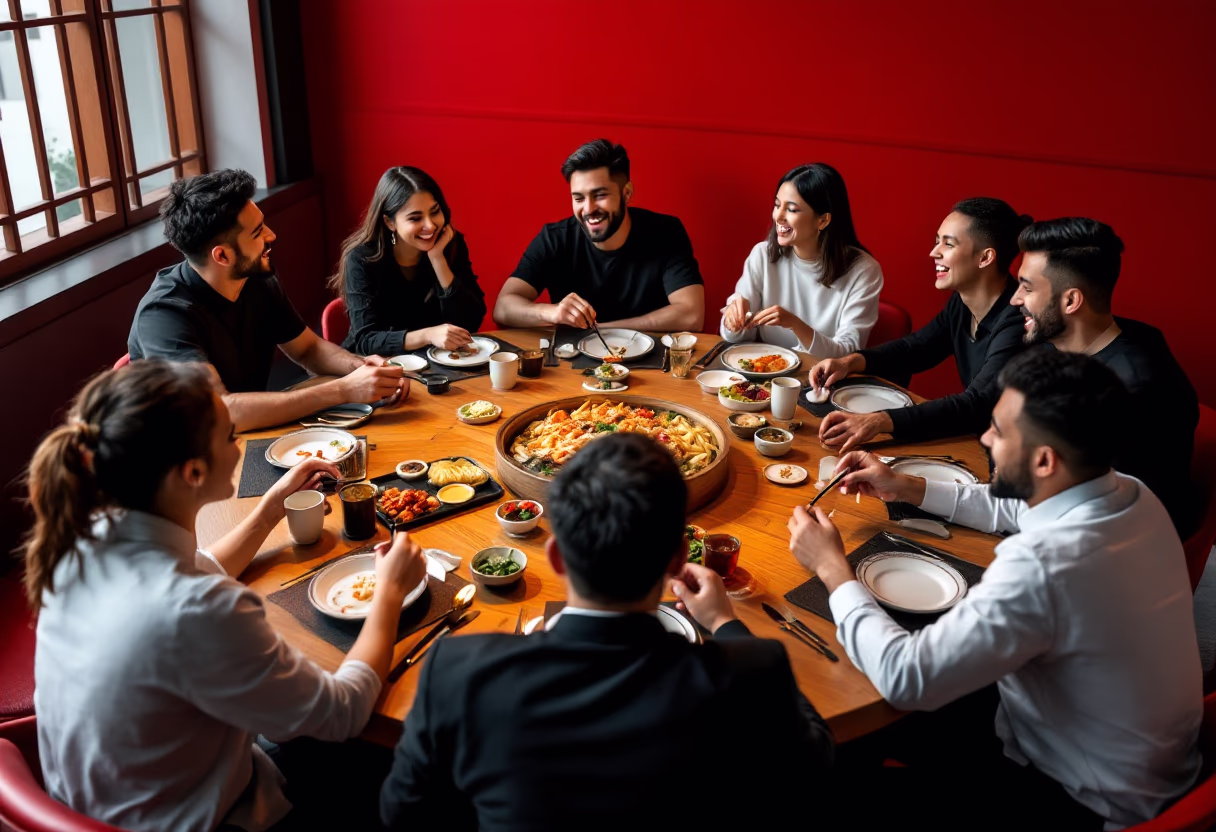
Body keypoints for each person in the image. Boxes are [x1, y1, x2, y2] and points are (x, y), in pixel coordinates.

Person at [788, 350, 1202, 830]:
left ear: (1045, 460)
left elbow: (905, 678)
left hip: (1080, 798)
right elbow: (1015, 507)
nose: (985, 437)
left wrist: (832, 569)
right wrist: (903, 485)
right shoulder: (1128, 491)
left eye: (1000, 432)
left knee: (829, 771)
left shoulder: (1047, 565)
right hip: (1133, 755)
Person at [26, 360, 427, 832]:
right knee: (412, 772)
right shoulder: (197, 610)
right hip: (213, 817)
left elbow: (200, 568)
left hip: (106, 804)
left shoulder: (80, 540)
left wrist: (271, 508)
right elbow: (341, 712)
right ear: (194, 471)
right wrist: (388, 592)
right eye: (231, 435)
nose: (239, 448)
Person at [380, 433, 833, 830]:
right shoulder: (752, 673)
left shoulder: (457, 672)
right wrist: (724, 624)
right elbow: (817, 766)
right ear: (679, 560)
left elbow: (403, 813)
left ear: (555, 558)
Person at [128, 169, 406, 432]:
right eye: (257, 231)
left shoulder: (255, 281)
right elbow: (219, 412)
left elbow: (308, 350)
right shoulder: (163, 315)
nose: (271, 235)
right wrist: (344, 390)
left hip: (250, 434)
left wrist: (365, 371)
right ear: (222, 256)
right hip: (184, 463)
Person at [1012, 217, 1199, 537]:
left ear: (1071, 301)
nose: (1016, 299)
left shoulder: (1136, 391)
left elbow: (1102, 516)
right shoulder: (1070, 344)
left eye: (1027, 288)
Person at [809, 197, 1030, 450]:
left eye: (948, 243)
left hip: (1006, 456)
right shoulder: (961, 303)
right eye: (937, 241)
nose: (934, 252)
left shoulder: (1017, 321)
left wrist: (878, 421)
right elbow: (916, 349)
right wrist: (849, 362)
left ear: (985, 257)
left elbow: (975, 404)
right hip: (971, 438)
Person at [492, 139, 705, 332]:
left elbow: (691, 315)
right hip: (570, 366)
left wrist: (602, 330)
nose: (588, 209)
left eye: (600, 195)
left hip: (650, 364)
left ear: (627, 193)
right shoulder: (555, 238)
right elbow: (503, 308)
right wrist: (553, 313)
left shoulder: (666, 232)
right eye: (578, 198)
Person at [720, 163, 883, 355]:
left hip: (822, 379)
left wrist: (794, 324)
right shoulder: (763, 254)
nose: (778, 217)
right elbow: (736, 339)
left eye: (792, 209)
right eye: (777, 205)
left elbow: (847, 352)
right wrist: (734, 322)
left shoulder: (863, 271)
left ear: (822, 220)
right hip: (765, 373)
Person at [328, 166, 487, 357]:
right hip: (376, 367)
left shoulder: (450, 245)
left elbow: (472, 322)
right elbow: (366, 340)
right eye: (415, 218)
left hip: (437, 364)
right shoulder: (362, 259)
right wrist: (428, 335)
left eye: (435, 211)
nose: (430, 225)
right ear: (390, 222)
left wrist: (438, 260)